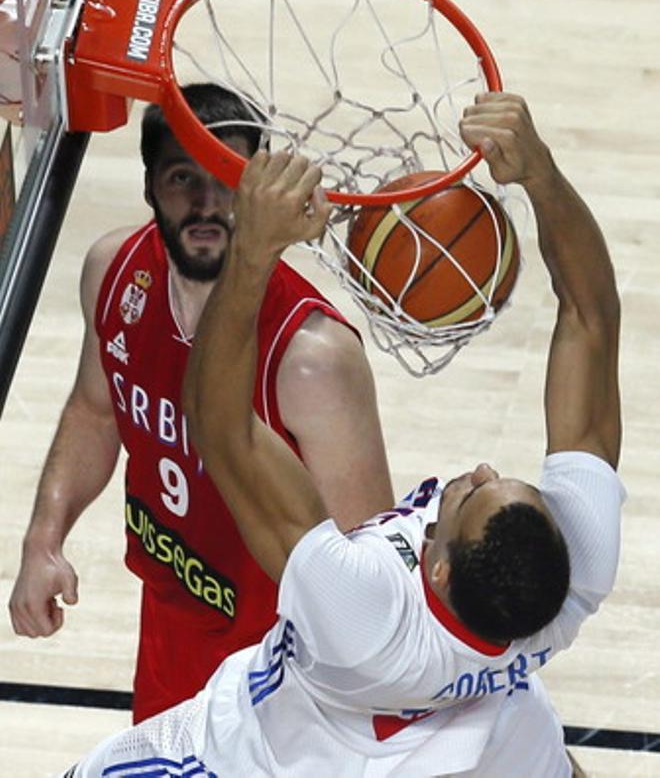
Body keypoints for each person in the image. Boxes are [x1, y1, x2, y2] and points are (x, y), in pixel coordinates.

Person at [61, 92, 623, 777]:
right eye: (502, 480)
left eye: (472, 495)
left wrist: (255, 252)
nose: (477, 469)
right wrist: (541, 174)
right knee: (538, 747)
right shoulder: (568, 580)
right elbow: (592, 314)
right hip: (468, 729)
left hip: (250, 756)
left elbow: (220, 424)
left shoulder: (368, 615)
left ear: (435, 569)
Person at [8, 83, 394, 723]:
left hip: (283, 669)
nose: (206, 203)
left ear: (257, 190)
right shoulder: (113, 270)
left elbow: (369, 561)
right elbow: (95, 410)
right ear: (149, 188)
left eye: (226, 176)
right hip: (172, 623)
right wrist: (44, 539)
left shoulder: (311, 357)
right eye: (183, 177)